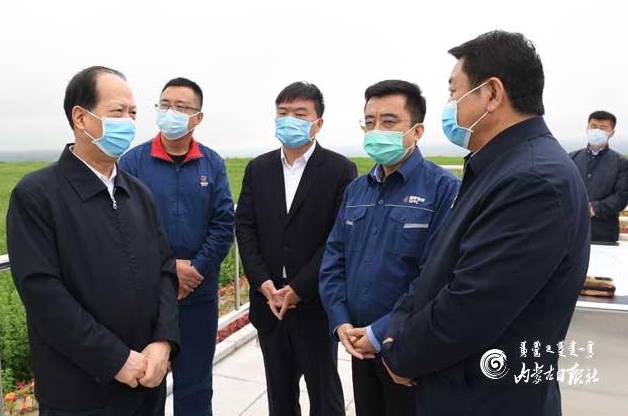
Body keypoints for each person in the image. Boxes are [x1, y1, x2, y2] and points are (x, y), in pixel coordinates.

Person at [380, 31, 591, 416]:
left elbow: (470, 307)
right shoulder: (500, 167)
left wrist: (400, 355)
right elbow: (439, 270)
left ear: (491, 94)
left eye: (453, 91)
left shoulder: (533, 180)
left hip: (487, 399)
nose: (449, 105)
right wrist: (396, 330)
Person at [6, 66, 179, 416]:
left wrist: (163, 342)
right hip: (80, 392)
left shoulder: (138, 193)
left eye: (133, 113)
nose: (128, 122)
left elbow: (164, 270)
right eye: (117, 112)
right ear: (80, 118)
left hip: (147, 385)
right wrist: (116, 359)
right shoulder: (37, 195)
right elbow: (43, 294)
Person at [320, 80, 459, 416]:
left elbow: (437, 275)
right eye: (369, 122)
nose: (376, 131)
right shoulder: (357, 190)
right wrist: (340, 322)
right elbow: (334, 258)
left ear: (417, 131)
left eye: (389, 121)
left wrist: (379, 331)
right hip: (357, 343)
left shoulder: (443, 189)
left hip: (409, 346)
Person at [236, 82, 357, 416]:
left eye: (300, 114)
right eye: (283, 113)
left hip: (314, 304)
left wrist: (299, 289)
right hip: (269, 304)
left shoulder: (339, 169)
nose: (289, 120)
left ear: (318, 123)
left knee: (325, 395)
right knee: (280, 396)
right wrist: (262, 282)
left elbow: (337, 238)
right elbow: (245, 226)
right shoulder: (258, 168)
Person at [119, 77, 235, 416]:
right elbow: (124, 229)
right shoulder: (133, 163)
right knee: (145, 380)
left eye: (181, 107)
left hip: (197, 293)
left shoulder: (211, 163)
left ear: (197, 117)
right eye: (165, 105)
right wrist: (170, 271)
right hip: (148, 295)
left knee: (196, 384)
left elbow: (223, 223)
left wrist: (195, 269)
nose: (171, 113)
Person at [569, 110, 628, 244]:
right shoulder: (571, 158)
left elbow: (622, 196)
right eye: (594, 126)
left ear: (611, 132)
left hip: (603, 232)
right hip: (572, 229)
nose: (597, 131)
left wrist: (594, 208)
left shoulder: (621, 163)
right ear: (587, 128)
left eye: (603, 128)